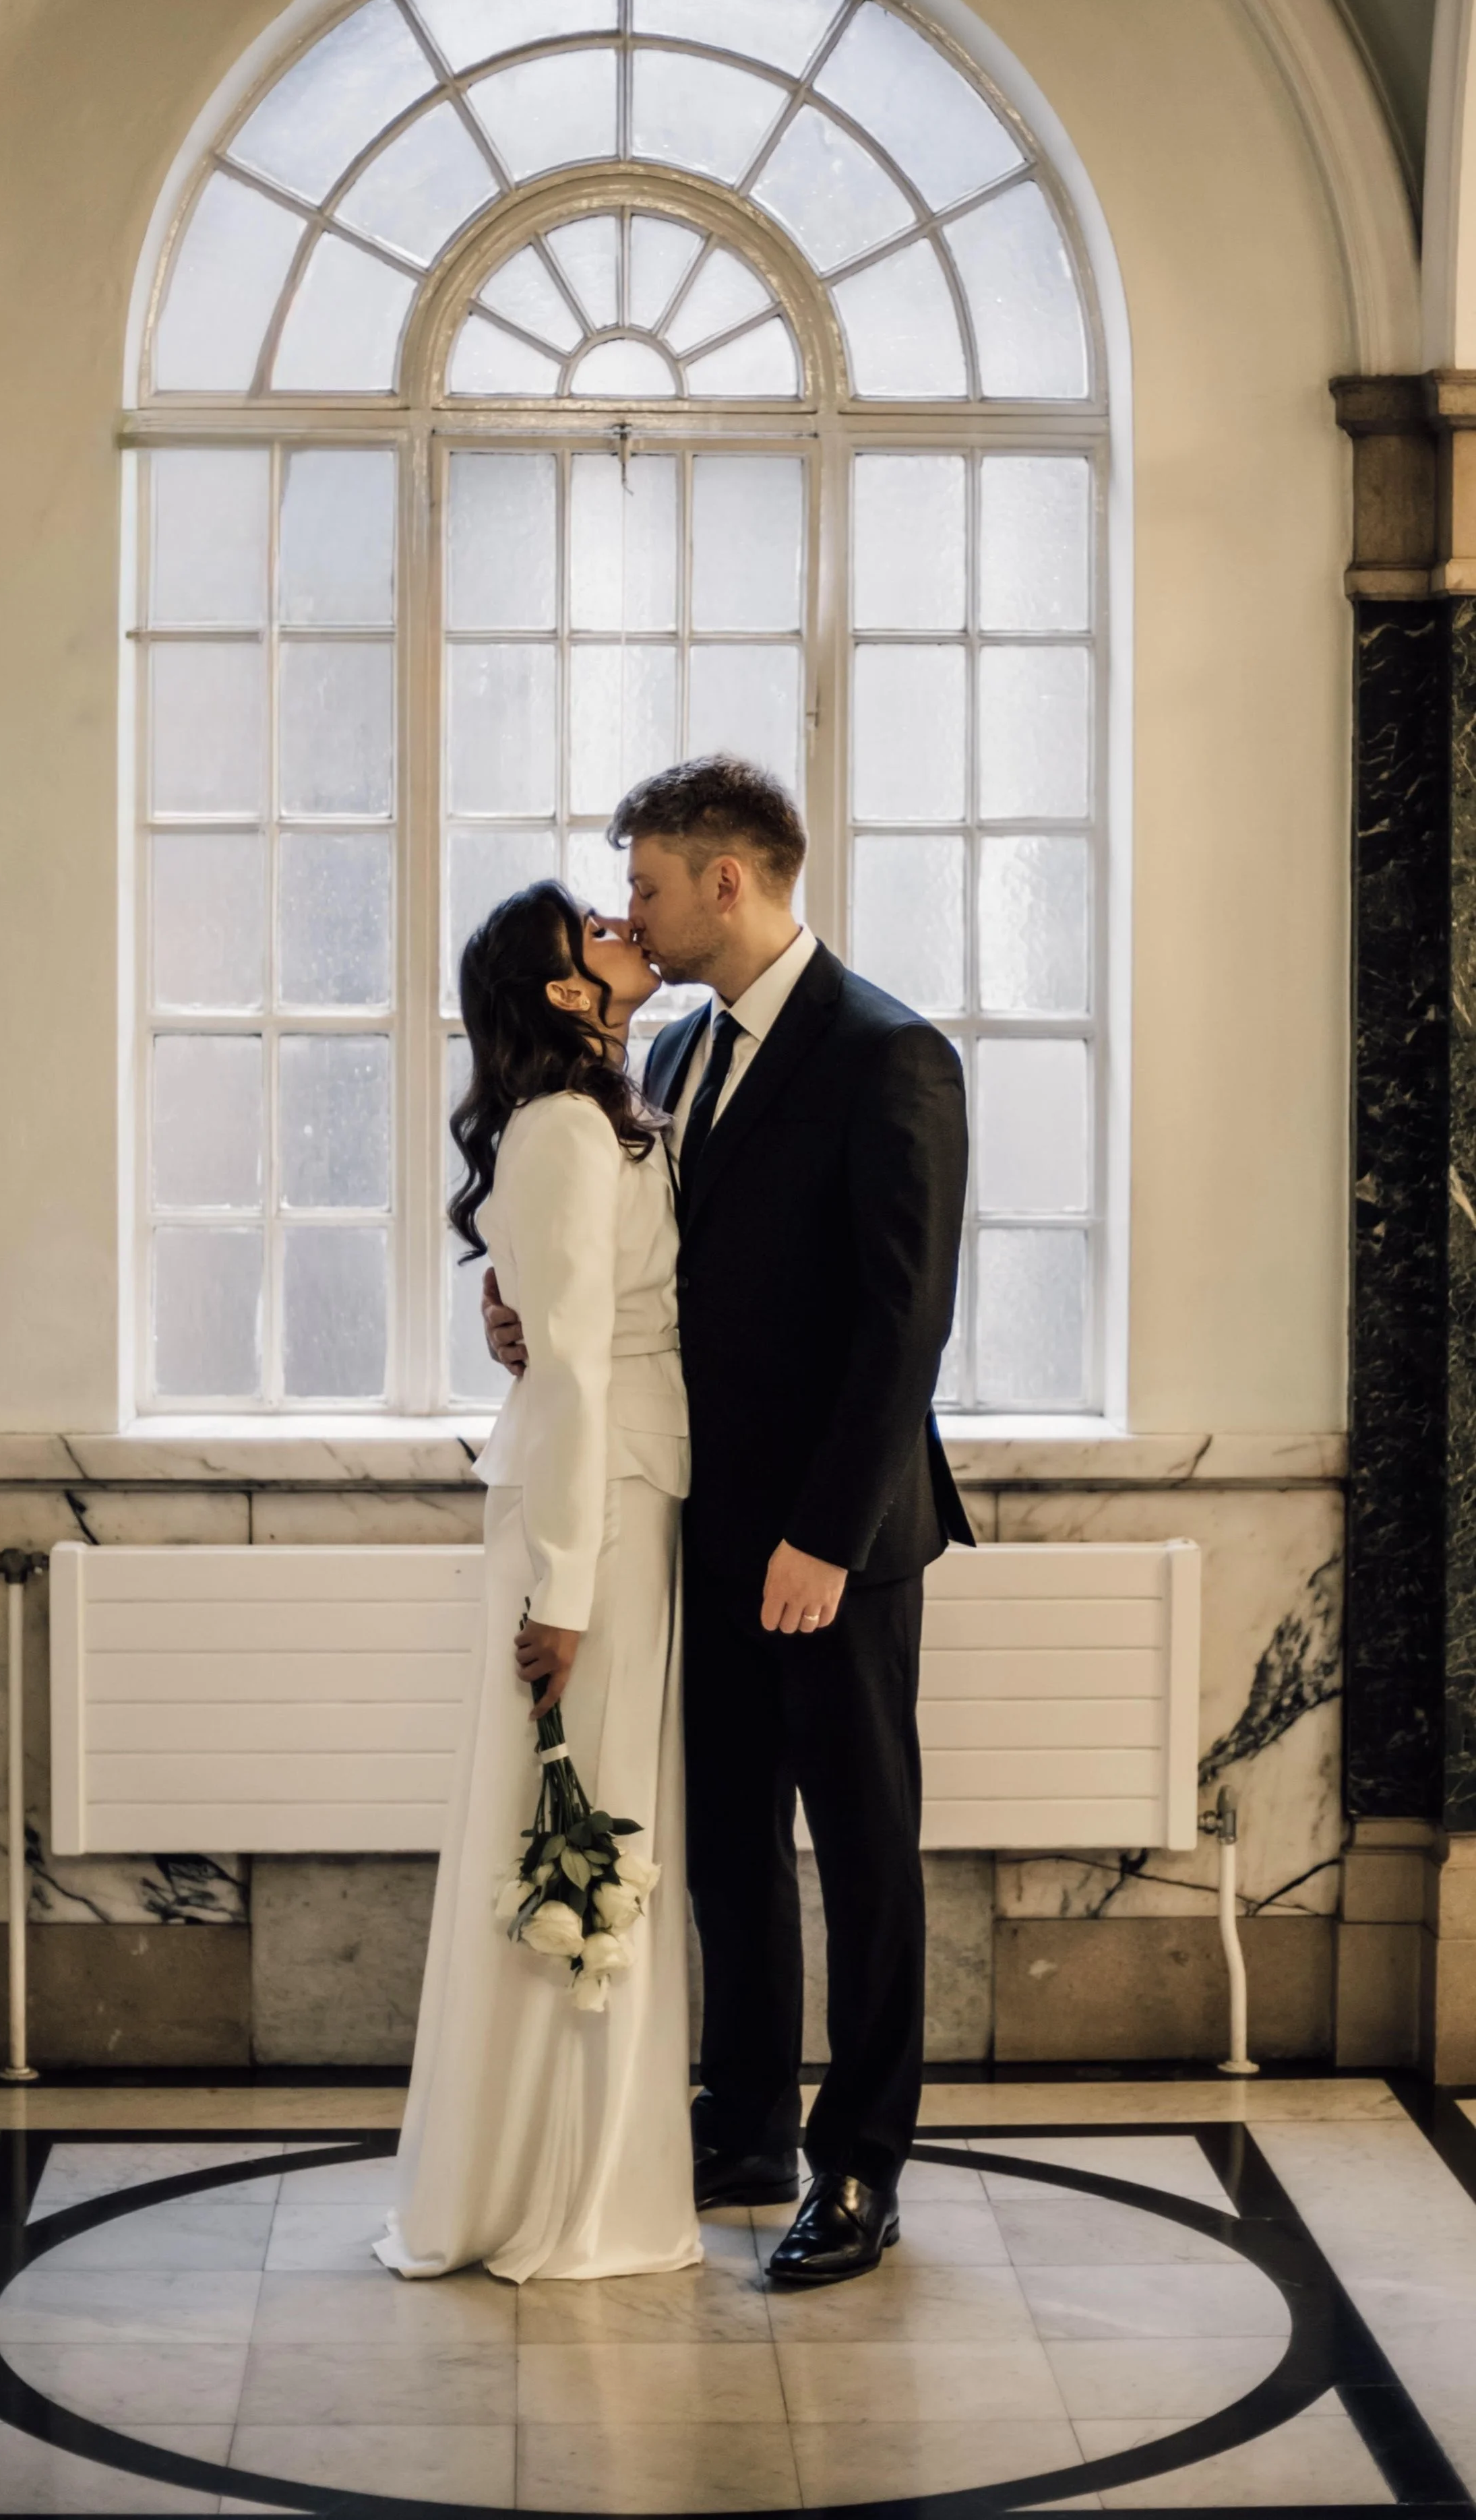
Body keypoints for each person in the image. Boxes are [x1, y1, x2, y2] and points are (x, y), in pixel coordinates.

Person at [485, 757, 969, 2288]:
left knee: (864, 1847)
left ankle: (860, 2166)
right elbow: (638, 1279)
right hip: (694, 1524)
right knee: (723, 1850)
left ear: (726, 880)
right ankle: (749, 2122)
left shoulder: (890, 1053)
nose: (625, 910)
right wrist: (529, 1318)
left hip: (833, 1541)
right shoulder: (677, 1047)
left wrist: (823, 1538)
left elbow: (904, 1327)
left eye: (641, 885)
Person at [377, 881, 698, 2285]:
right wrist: (562, 1591)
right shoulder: (565, 1128)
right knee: (581, 1829)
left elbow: (565, 1322)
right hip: (596, 1516)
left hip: (617, 1496)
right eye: (596, 929)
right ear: (568, 993)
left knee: (592, 1829)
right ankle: (560, 2198)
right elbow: (566, 1374)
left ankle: (562, 2175)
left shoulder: (598, 1113)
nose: (624, 933)